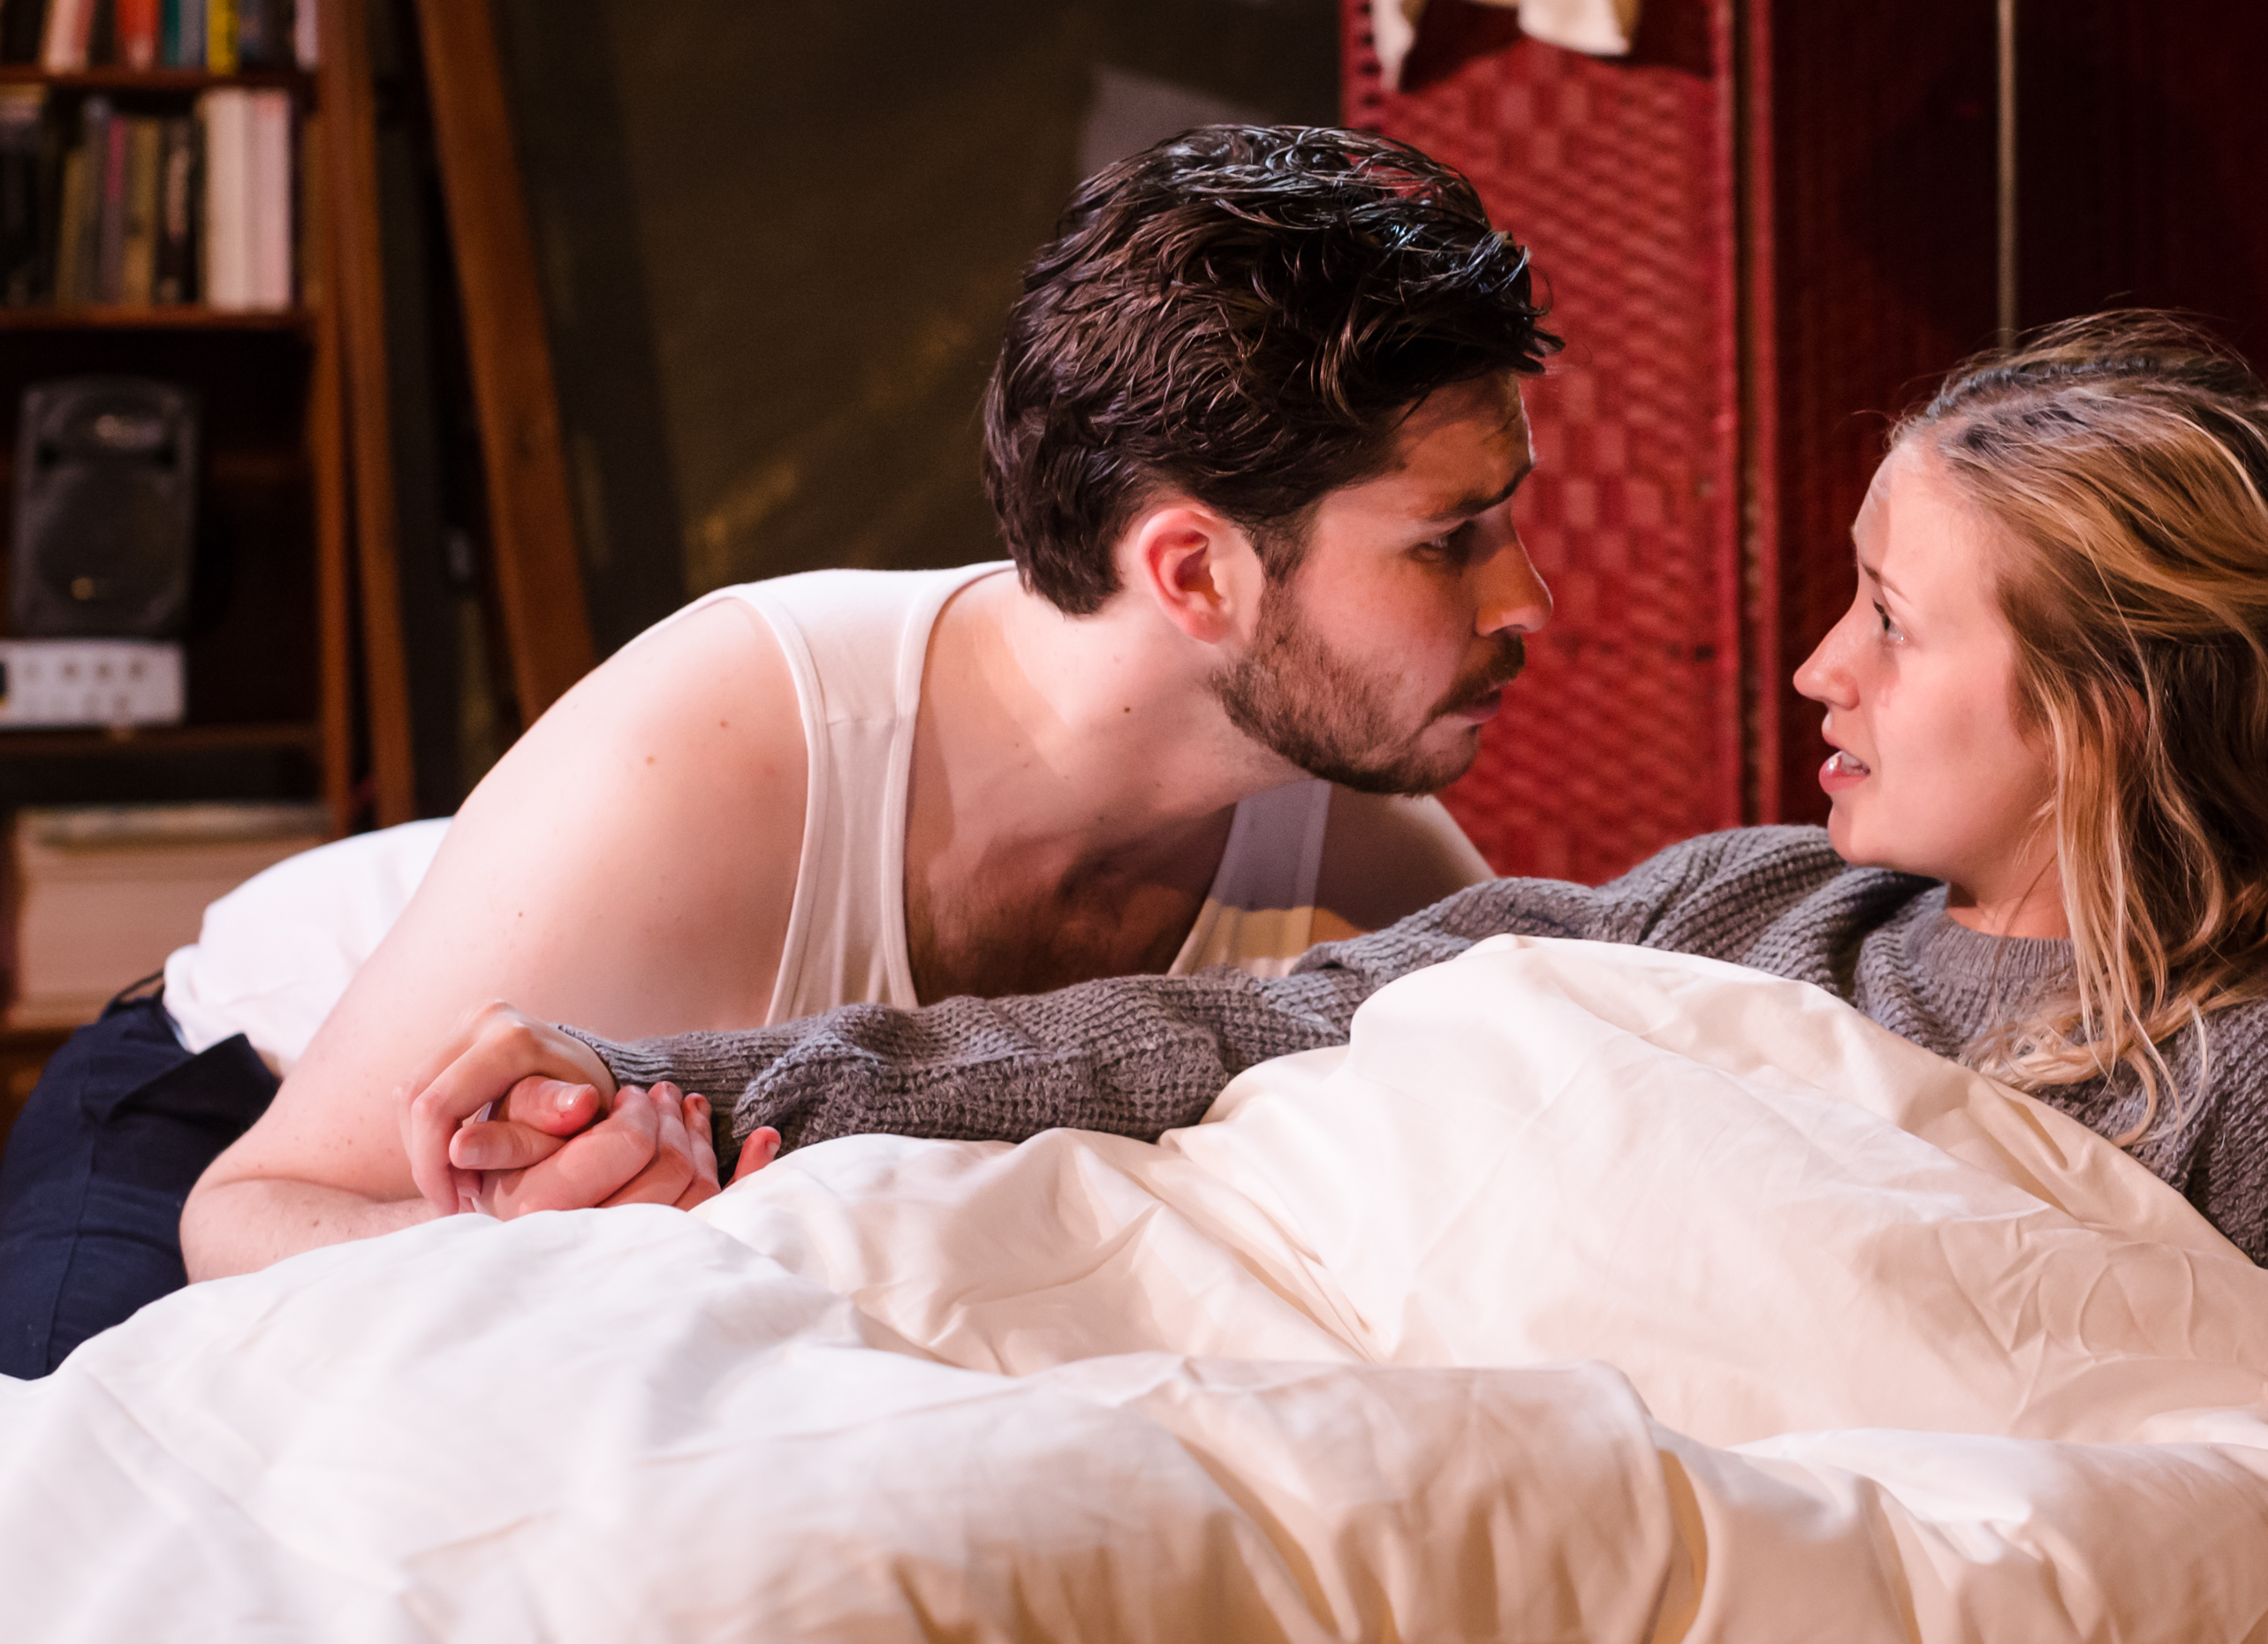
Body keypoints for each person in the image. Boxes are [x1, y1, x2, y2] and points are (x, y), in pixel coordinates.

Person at [406, 310, 2268, 1314]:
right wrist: (676, 1081)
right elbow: (1250, 1027)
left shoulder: (2259, 1094)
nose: (1817, 670)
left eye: (1895, 625)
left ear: (2108, 708)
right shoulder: (1747, 905)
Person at [0, 124, 1567, 1348]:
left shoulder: (1351, 833)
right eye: (1452, 540)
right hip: (245, 1109)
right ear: (1195, 573)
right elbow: (246, 1217)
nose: (1529, 601)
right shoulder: (727, 742)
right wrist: (513, 1239)